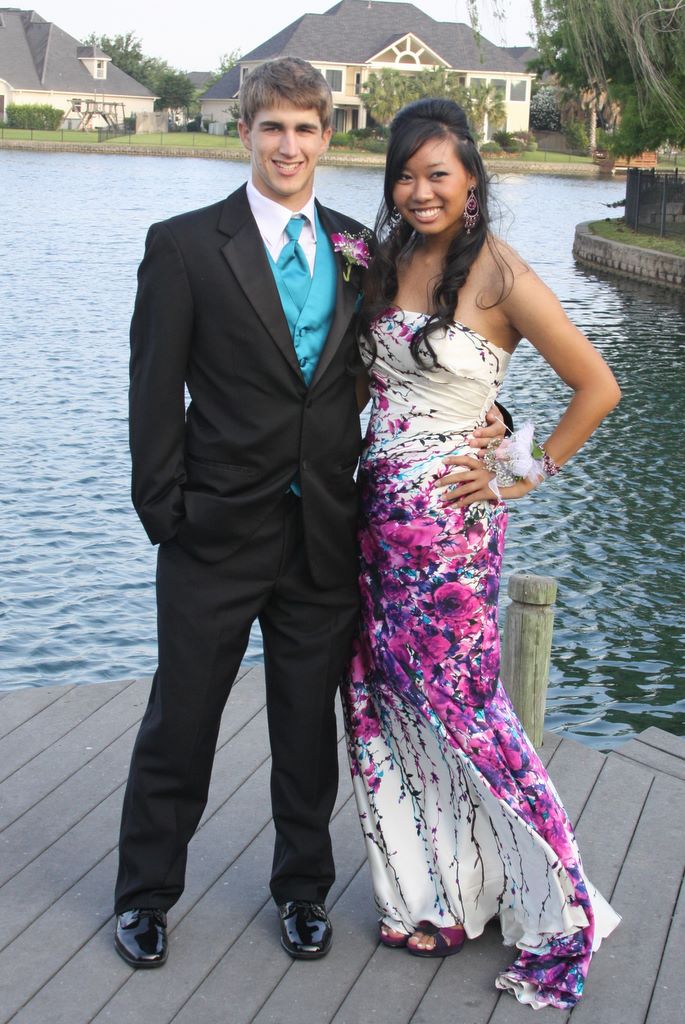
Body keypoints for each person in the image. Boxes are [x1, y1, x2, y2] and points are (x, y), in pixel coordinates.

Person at [341, 97, 622, 1010]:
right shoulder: (382, 263)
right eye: (405, 175)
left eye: (437, 174)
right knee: (387, 708)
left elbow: (596, 386)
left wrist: (516, 476)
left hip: (450, 540)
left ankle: (557, 900)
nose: (419, 190)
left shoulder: (500, 272)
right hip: (372, 523)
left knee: (466, 712)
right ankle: (439, 896)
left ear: (470, 182)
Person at [113, 57, 373, 967]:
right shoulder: (185, 245)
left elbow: (395, 365)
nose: (287, 145)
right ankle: (145, 895)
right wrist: (166, 514)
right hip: (213, 533)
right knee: (180, 722)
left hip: (322, 533)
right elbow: (152, 392)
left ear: (326, 138)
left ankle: (302, 890)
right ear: (245, 133)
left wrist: (490, 416)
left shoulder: (358, 248)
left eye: (304, 128)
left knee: (306, 728)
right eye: (272, 128)